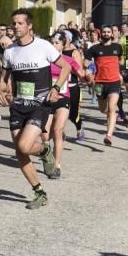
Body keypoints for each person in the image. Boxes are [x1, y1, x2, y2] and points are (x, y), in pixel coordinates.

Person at [0, 9, 71, 209]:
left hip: (40, 104)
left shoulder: (43, 46)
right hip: (18, 105)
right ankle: (39, 192)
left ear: (29, 26)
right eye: (14, 23)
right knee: (20, 152)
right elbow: (4, 79)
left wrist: (56, 87)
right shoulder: (10, 51)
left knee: (23, 146)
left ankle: (46, 149)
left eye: (20, 23)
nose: (16, 26)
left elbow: (66, 67)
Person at [43, 32, 83, 178]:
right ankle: (48, 157)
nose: (53, 45)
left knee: (58, 130)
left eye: (56, 43)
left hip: (63, 98)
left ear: (63, 44)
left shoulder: (68, 60)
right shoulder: (44, 60)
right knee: (45, 134)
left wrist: (87, 74)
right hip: (47, 99)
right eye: (51, 43)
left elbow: (81, 73)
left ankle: (57, 165)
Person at [85, 25, 123, 146]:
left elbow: (121, 61)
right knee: (103, 109)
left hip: (114, 82)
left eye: (108, 32)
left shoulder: (118, 47)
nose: (106, 34)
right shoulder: (94, 49)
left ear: (112, 34)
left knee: (112, 108)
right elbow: (86, 62)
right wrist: (87, 71)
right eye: (104, 32)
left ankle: (109, 135)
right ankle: (110, 119)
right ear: (101, 34)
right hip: (99, 83)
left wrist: (119, 69)